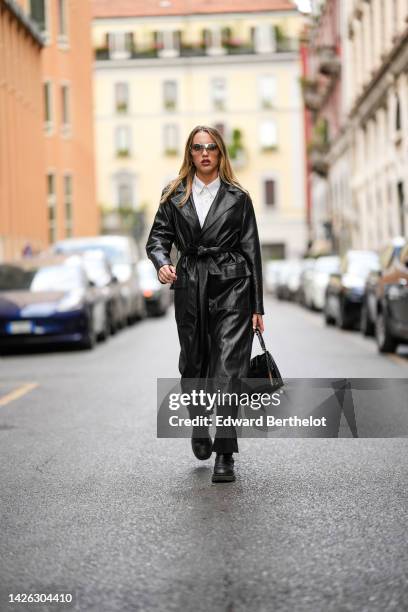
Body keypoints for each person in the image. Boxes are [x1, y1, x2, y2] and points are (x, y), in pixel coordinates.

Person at [145, 125, 264, 483]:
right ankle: (199, 422)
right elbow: (157, 239)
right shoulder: (173, 195)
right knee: (194, 363)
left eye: (211, 147)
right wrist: (162, 262)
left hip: (232, 284)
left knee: (229, 369)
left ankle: (225, 452)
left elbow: (252, 251)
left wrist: (257, 307)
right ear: (190, 154)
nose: (205, 153)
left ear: (220, 153)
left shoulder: (238, 197)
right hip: (191, 283)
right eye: (198, 148)